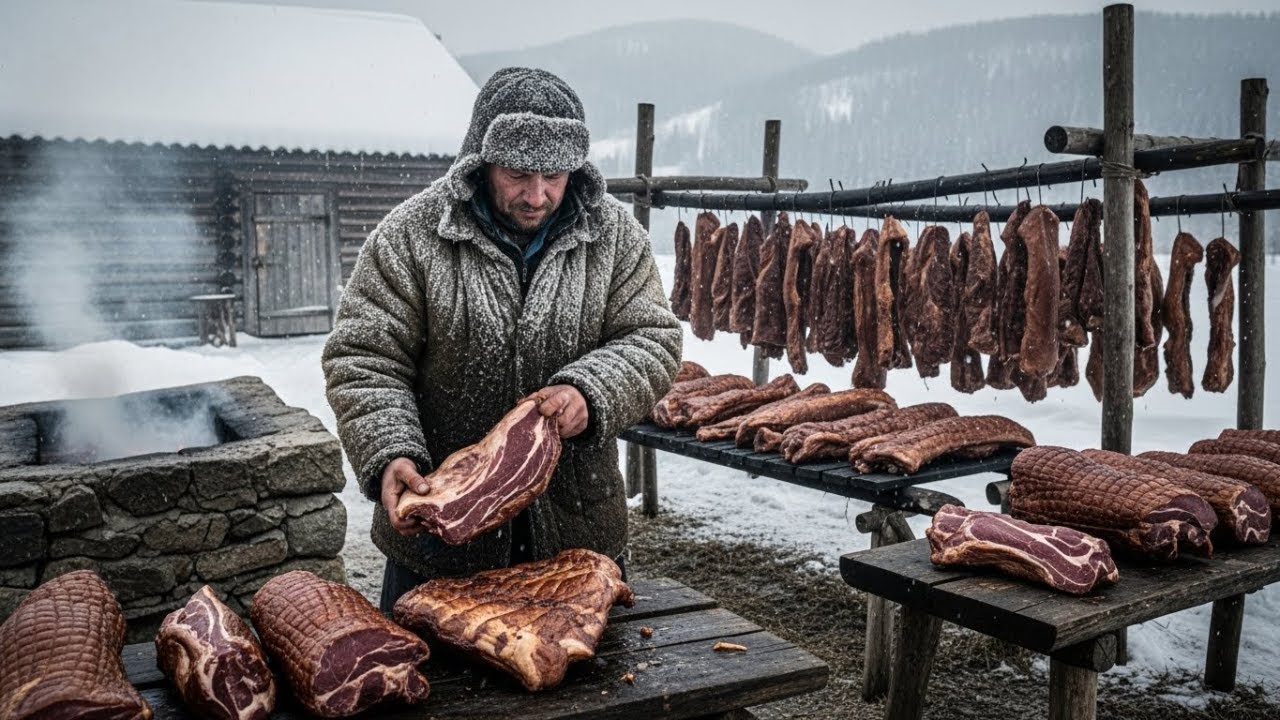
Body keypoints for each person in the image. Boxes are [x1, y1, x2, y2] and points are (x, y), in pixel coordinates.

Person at [321, 67, 681, 612]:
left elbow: (651, 338)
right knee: (433, 688)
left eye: (554, 175)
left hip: (574, 538)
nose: (537, 195)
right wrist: (390, 451)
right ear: (480, 160)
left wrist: (590, 392)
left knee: (578, 679)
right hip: (438, 540)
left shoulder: (615, 237)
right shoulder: (412, 237)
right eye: (517, 174)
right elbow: (365, 357)